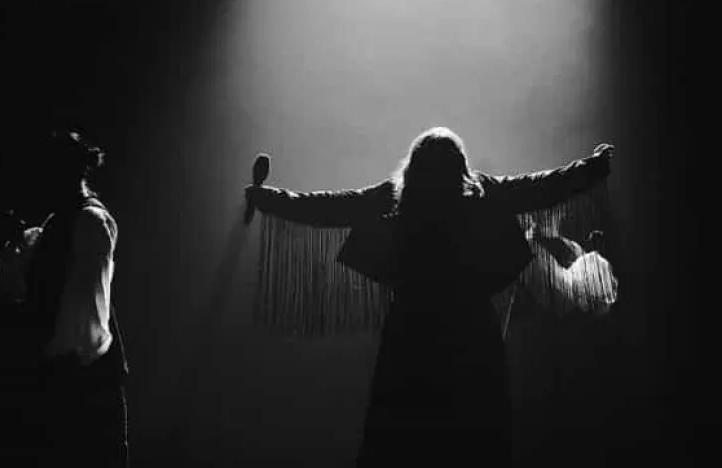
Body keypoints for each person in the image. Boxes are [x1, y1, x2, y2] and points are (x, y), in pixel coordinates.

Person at [246, 126, 613, 466]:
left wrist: (270, 197)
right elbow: (544, 186)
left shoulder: (394, 198)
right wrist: (593, 167)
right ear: (461, 167)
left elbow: (329, 206)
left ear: (412, 168)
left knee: (404, 439)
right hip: (472, 337)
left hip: (410, 336)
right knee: (476, 441)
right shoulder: (485, 192)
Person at [0, 129, 129, 466]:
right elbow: (23, 290)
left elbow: (75, 313)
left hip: (83, 381)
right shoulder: (58, 223)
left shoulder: (88, 222)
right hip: (67, 378)